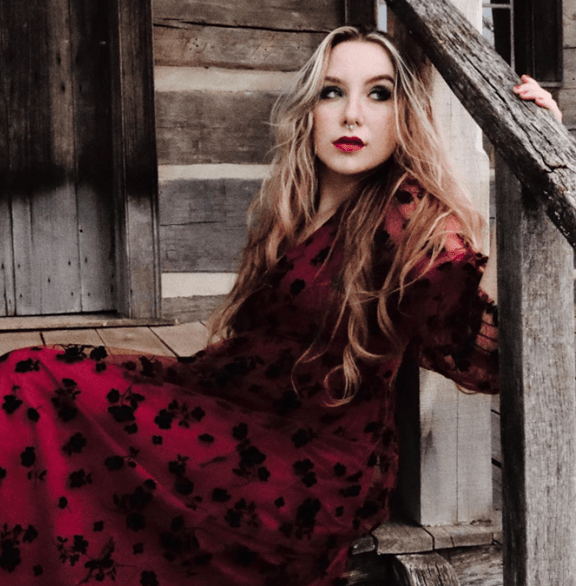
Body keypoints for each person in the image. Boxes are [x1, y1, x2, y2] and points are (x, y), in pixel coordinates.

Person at [0, 26, 561, 586]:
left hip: (308, 465)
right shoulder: (295, 205)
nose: (351, 116)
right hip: (236, 406)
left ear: (404, 116)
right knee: (32, 378)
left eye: (378, 94)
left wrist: (536, 162)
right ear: (309, 109)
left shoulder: (408, 216)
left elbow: (482, 347)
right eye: (332, 92)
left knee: (28, 386)